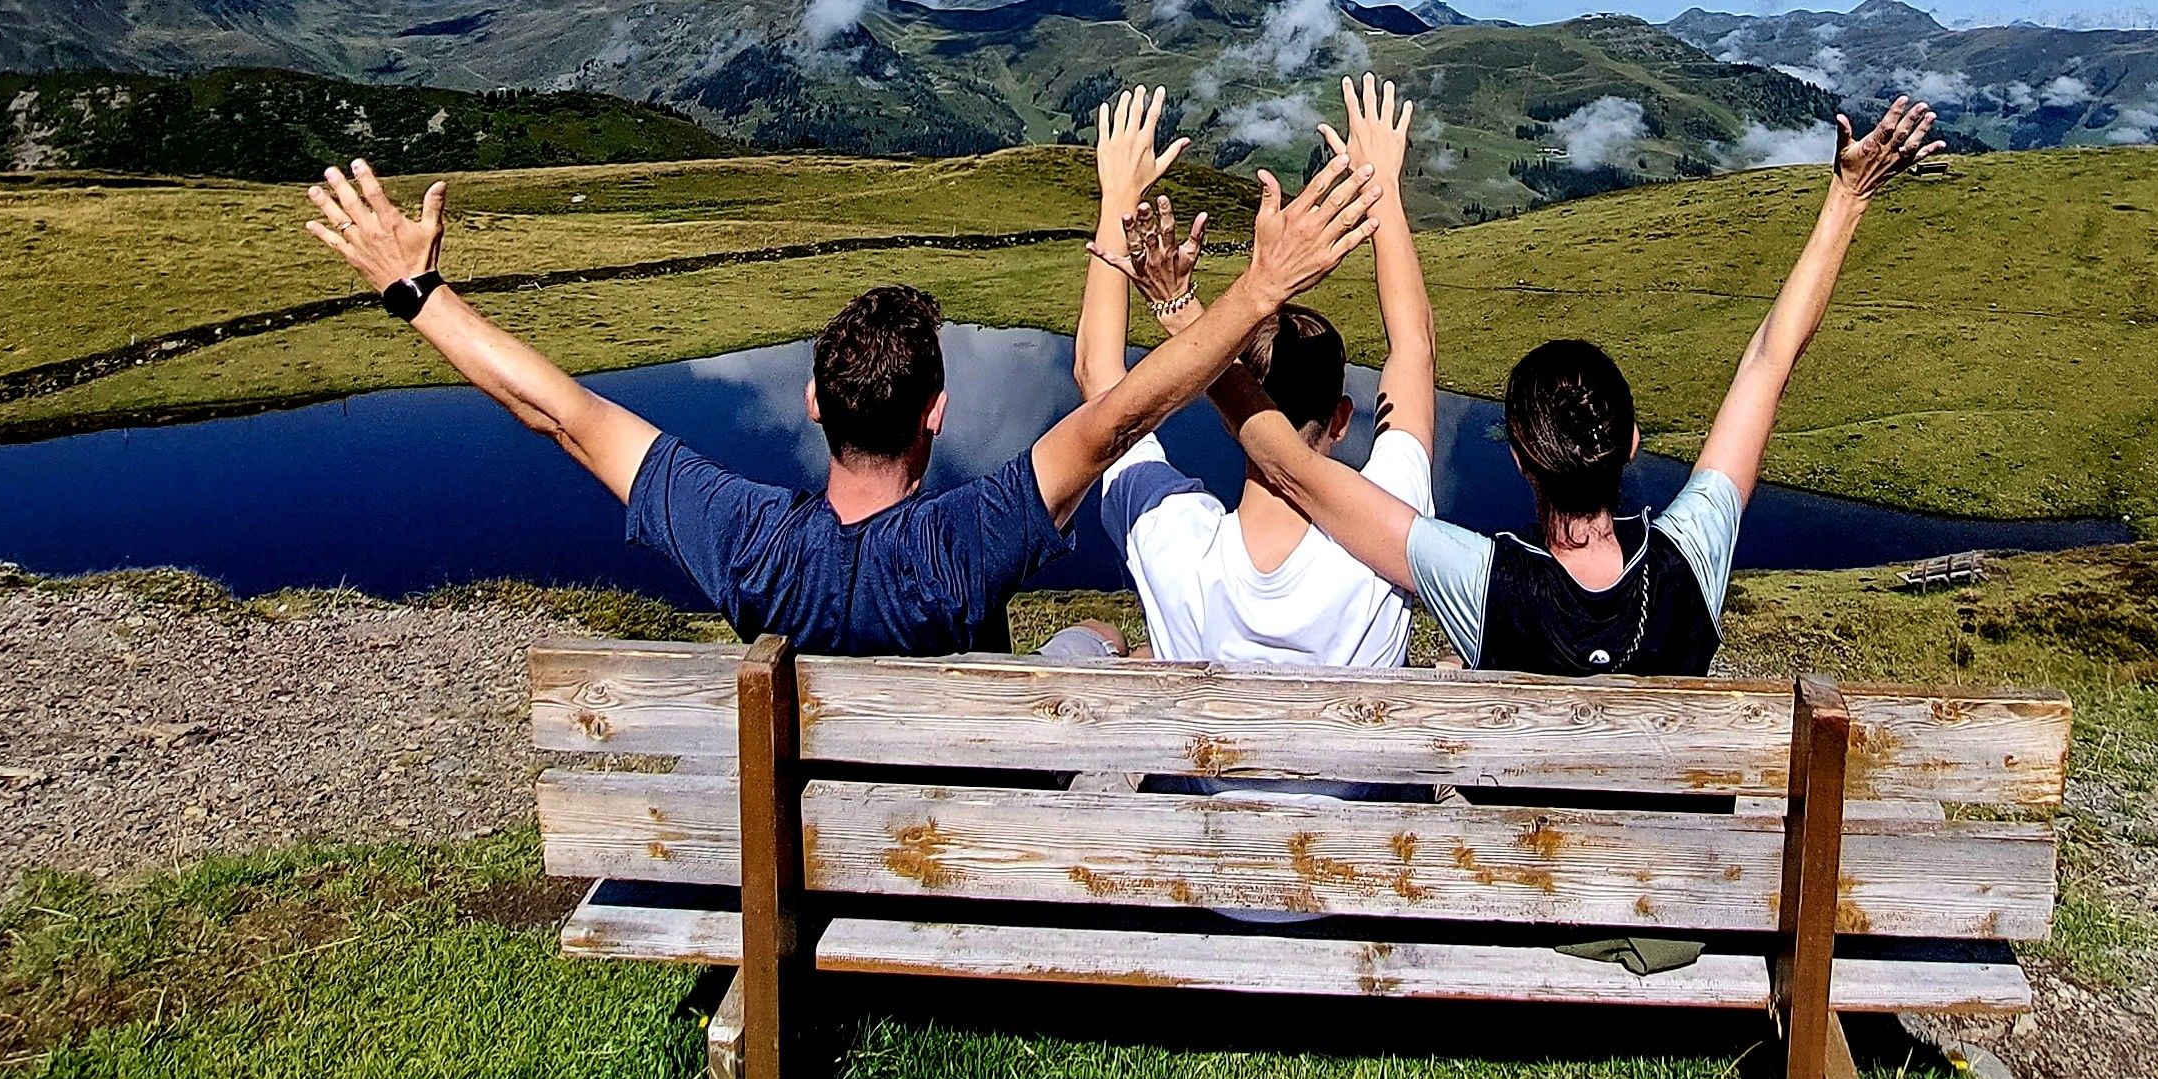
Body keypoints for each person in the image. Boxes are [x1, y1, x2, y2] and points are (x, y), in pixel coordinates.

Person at [295, 150, 1383, 655]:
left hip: (805, 857)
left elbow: (562, 413)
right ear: (937, 413)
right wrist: (1255, 290)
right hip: (949, 852)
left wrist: (418, 292)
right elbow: (1116, 416)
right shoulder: (967, 540)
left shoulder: (745, 539)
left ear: (813, 402)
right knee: (1087, 647)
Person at [1123, 95, 1944, 677]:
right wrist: (1847, 198)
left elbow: (1291, 464)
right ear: (1630, 444)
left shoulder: (1481, 581)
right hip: (1676, 880)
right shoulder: (1693, 556)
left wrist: (1184, 310)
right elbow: (1770, 360)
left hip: (1520, 880)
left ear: (1518, 457)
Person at [1068, 77, 1436, 668]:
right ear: (1342, 417)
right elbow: (1414, 348)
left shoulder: (1174, 541)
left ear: (1227, 411)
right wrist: (1381, 190)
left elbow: (1098, 375)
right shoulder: (1387, 528)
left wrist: (1119, 200)